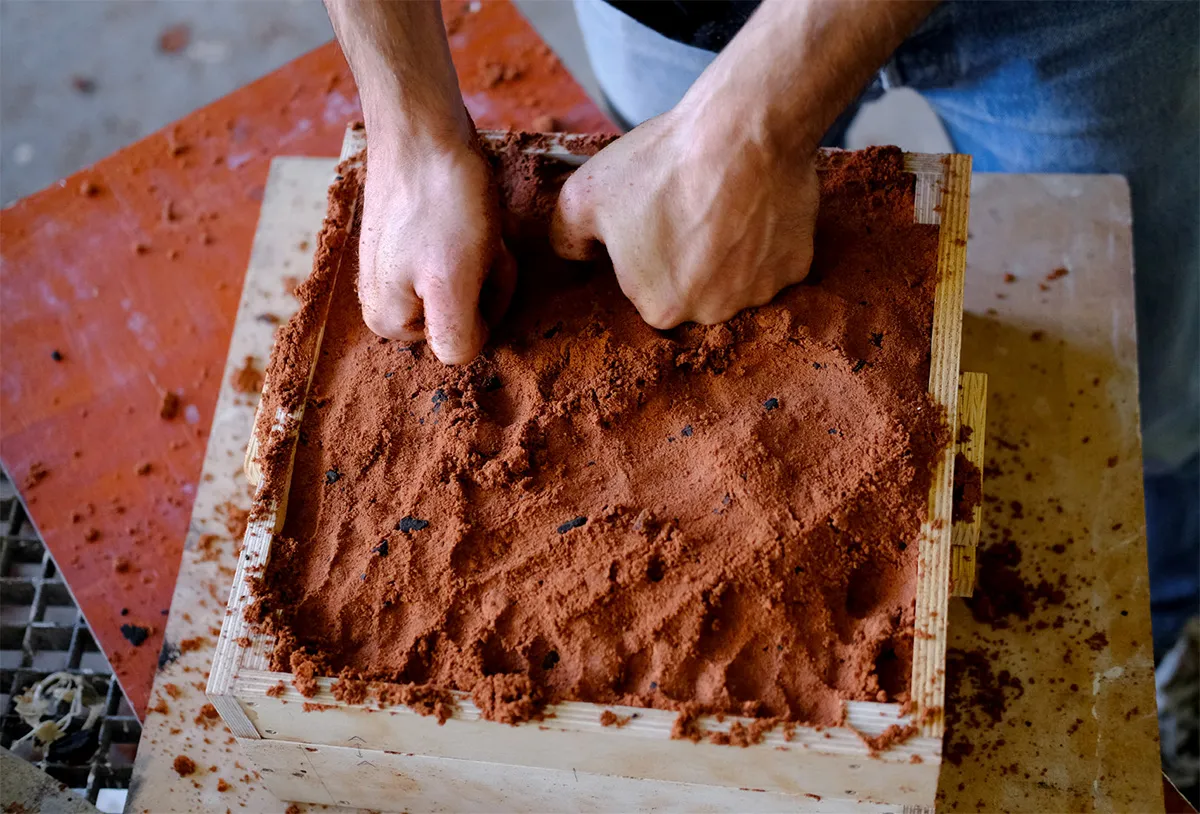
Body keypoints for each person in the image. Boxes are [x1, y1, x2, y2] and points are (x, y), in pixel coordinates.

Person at [324, 0, 1197, 795]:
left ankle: (1162, 629)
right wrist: (408, 122)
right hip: (679, 14)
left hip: (1084, 25)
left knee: (1138, 387)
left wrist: (749, 124)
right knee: (667, 238)